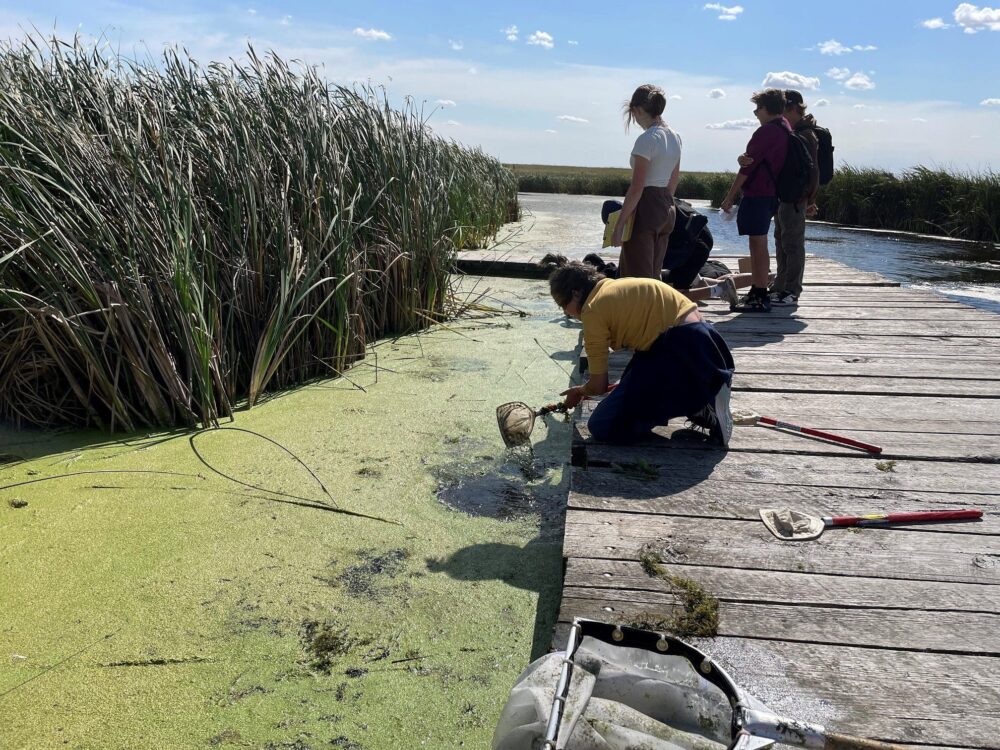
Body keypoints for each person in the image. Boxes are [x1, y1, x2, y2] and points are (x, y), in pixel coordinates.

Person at [549, 262, 735, 446]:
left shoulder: (592, 310)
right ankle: (702, 398)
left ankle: (705, 397)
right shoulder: (619, 285)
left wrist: (580, 391)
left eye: (563, 305)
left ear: (575, 293)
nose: (566, 312)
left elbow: (599, 386)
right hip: (709, 346)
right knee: (631, 380)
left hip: (677, 350)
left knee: (601, 424)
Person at [720, 88, 790, 312]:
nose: (755, 113)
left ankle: (759, 294)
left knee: (757, 244)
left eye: (757, 108)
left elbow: (746, 168)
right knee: (760, 242)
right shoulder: (785, 127)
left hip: (758, 194)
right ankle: (758, 290)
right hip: (772, 194)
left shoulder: (766, 132)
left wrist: (730, 196)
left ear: (767, 108)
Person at [599, 198, 740, 305]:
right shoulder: (646, 205)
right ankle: (723, 284)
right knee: (691, 281)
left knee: (677, 296)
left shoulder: (640, 226)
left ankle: (720, 289)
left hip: (693, 247)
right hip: (697, 238)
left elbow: (645, 264)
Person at [610, 84, 682, 279]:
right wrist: (665, 204)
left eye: (633, 114)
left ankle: (642, 310)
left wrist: (619, 226)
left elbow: (637, 187)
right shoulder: (675, 137)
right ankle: (657, 309)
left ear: (639, 110)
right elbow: (673, 181)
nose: (634, 119)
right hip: (667, 207)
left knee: (637, 278)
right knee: (654, 275)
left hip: (646, 208)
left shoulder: (647, 139)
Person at [768, 89, 820, 306]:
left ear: (792, 108)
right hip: (784, 198)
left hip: (796, 200)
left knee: (793, 245)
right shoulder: (793, 132)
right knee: (781, 242)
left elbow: (814, 171)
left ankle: (792, 290)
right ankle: (780, 286)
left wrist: (810, 199)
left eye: (783, 110)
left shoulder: (806, 135)